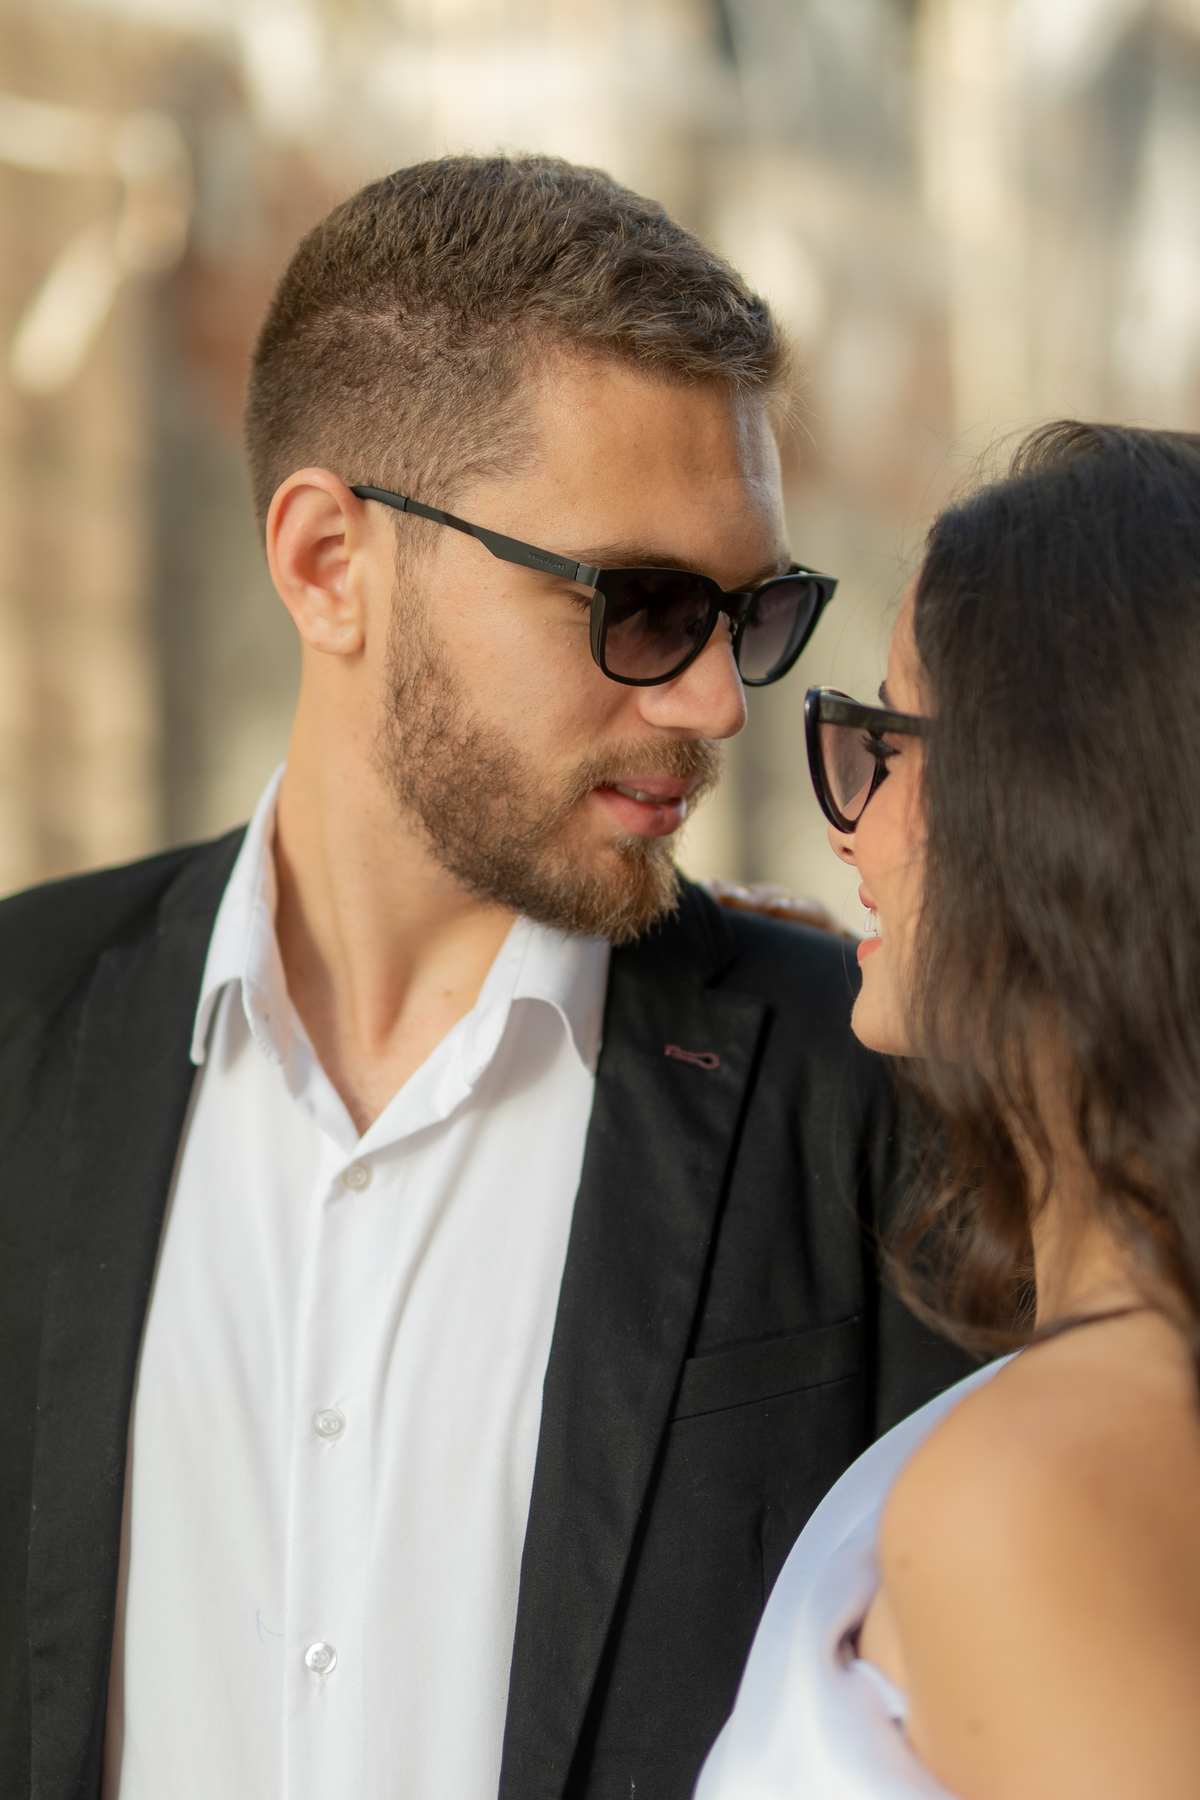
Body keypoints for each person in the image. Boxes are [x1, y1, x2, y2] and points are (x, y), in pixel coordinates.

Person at [0, 156, 969, 1800]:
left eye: (756, 615)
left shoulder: (859, 1099)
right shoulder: (25, 1026)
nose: (722, 707)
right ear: (328, 565)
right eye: (645, 607)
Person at [695, 420, 1200, 1800]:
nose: (850, 826)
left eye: (893, 740)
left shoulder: (1041, 1496)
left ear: (1067, 808)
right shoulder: (1101, 1400)